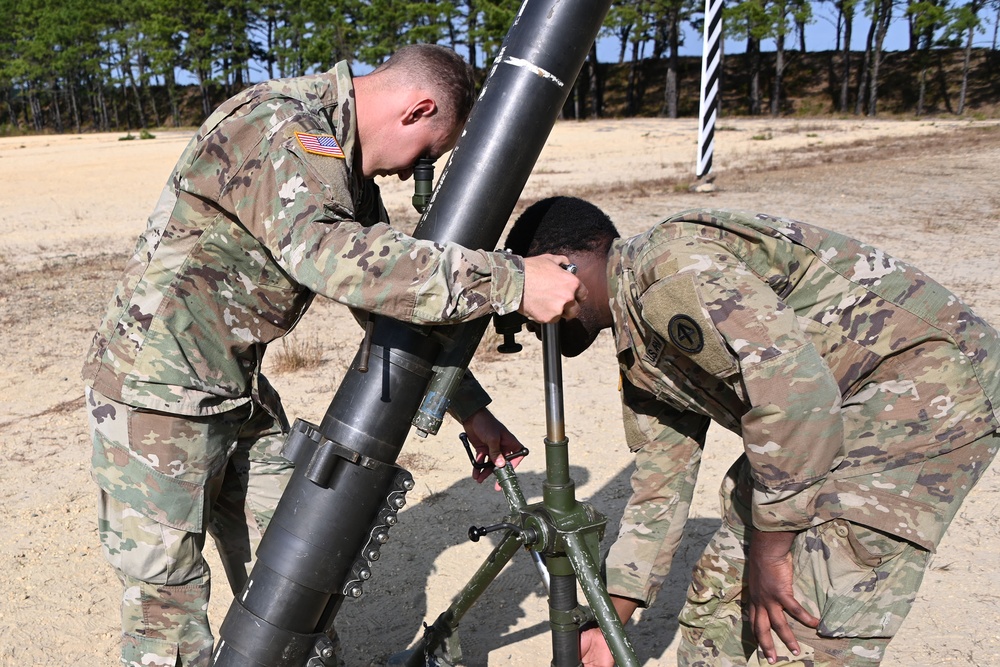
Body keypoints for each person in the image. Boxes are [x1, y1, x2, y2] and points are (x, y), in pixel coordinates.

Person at [83, 45, 582, 667]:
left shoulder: (340, 163)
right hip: (154, 390)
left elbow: (388, 301)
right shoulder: (283, 128)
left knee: (297, 557)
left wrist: (471, 412)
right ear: (417, 108)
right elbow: (339, 260)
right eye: (428, 152)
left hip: (232, 383)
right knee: (168, 604)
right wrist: (513, 280)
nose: (412, 174)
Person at [503, 196, 1000, 667]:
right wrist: (608, 619)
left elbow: (795, 398)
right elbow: (660, 485)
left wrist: (772, 550)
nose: (527, 322)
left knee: (808, 614)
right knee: (720, 598)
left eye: (525, 294)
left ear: (561, 266)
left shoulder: (670, 269)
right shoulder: (638, 348)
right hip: (822, 418)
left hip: (924, 393)